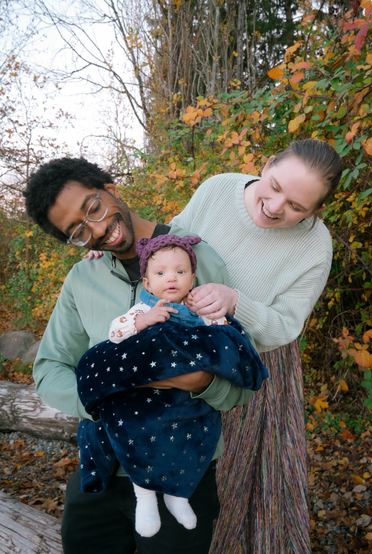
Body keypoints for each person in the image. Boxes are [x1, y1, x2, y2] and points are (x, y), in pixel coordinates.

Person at [24, 157, 255, 554]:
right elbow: (49, 369)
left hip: (182, 468)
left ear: (110, 189)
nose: (97, 230)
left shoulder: (198, 258)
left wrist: (201, 383)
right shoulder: (83, 277)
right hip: (100, 466)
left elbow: (239, 383)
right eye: (77, 231)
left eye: (93, 208)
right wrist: (107, 400)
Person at [168, 139, 343, 554]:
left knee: (234, 477)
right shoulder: (217, 189)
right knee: (168, 460)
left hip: (254, 365)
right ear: (266, 165)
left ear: (315, 212)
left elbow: (287, 324)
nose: (277, 206)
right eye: (275, 185)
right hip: (179, 347)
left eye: (297, 207)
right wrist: (115, 255)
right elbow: (169, 244)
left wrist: (236, 302)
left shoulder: (315, 246)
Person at [76, 234, 267, 539]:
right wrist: (143, 322)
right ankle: (146, 500)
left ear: (192, 278)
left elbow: (223, 338)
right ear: (148, 283)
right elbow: (115, 334)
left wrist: (218, 330)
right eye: (161, 273)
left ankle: (178, 497)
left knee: (193, 442)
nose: (172, 278)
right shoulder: (143, 310)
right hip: (145, 400)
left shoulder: (199, 311)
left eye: (180, 272)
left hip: (186, 400)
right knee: (139, 437)